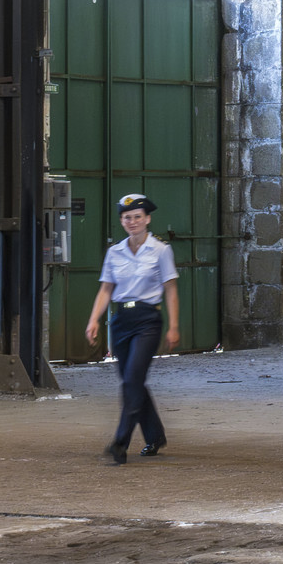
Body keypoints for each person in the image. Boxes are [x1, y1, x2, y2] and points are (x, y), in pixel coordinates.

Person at [85, 193, 180, 462]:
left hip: (148, 320)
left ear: (147, 219)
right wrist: (94, 320)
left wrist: (173, 326)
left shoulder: (160, 250)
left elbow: (170, 289)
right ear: (122, 221)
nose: (132, 221)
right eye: (127, 217)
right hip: (121, 321)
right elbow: (106, 289)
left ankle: (120, 442)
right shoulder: (115, 252)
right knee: (132, 381)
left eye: (138, 216)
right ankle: (155, 436)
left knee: (132, 379)